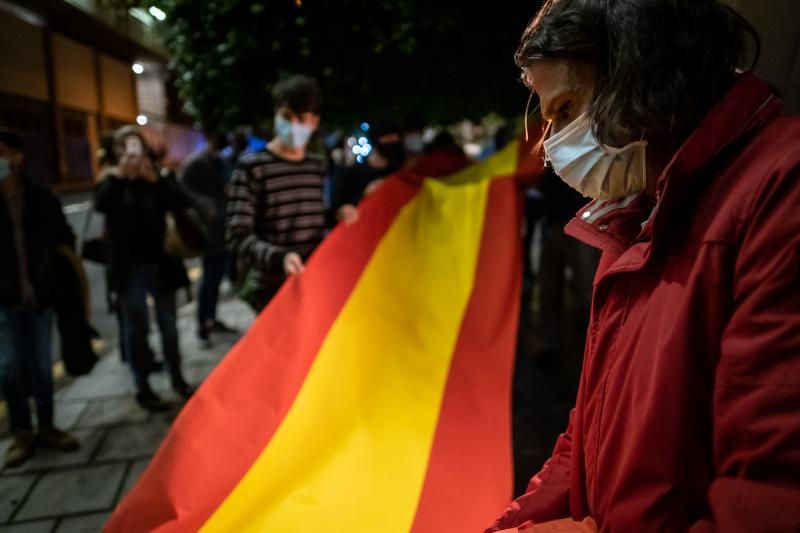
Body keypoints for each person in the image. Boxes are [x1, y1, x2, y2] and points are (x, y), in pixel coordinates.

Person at [487, 1, 800, 531]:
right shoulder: (639, 214)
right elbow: (586, 436)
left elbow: (770, 496)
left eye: (564, 111)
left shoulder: (779, 190)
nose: (550, 145)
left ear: (640, 77)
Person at [94, 127, 193, 412]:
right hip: (129, 268)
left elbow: (180, 202)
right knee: (136, 329)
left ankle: (177, 378)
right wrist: (122, 177)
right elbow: (102, 205)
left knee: (169, 326)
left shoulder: (157, 175)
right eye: (125, 146)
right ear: (116, 151)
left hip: (162, 263)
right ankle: (143, 386)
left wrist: (156, 180)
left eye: (136, 144)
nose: (132, 151)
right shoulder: (111, 178)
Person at [0, 128, 80, 467]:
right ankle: (22, 431)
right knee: (9, 367)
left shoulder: (40, 198)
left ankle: (47, 426)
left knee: (42, 366)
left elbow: (64, 239)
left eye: (5, 153)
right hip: (5, 300)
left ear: (19, 157)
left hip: (40, 296)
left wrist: (54, 277)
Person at [227, 75, 330, 313]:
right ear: (275, 115)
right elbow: (237, 236)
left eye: (301, 118)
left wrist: (339, 213)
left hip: (313, 283)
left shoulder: (316, 167)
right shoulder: (252, 166)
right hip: (271, 293)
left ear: (314, 122)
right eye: (287, 117)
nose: (293, 125)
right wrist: (279, 258)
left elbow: (315, 217)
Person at [179, 133, 237, 348]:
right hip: (207, 231)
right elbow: (182, 191)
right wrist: (204, 206)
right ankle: (203, 323)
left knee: (216, 275)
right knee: (210, 277)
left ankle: (211, 318)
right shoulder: (195, 163)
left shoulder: (219, 161)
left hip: (222, 229)